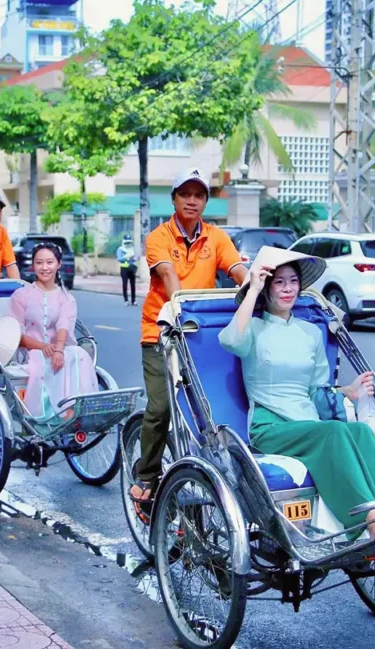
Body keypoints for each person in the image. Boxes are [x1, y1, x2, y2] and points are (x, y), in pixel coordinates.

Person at [219, 247, 375, 538]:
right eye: (279, 282)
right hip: (271, 427)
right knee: (335, 432)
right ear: (267, 288)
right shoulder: (252, 327)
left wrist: (347, 392)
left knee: (361, 433)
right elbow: (231, 341)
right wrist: (252, 288)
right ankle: (370, 519)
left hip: (308, 424)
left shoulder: (311, 333)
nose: (288, 288)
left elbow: (316, 391)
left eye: (293, 281)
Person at [129, 168, 249, 509]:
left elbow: (236, 269)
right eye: (185, 194)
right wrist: (179, 313)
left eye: (199, 195)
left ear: (206, 201)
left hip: (201, 334)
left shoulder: (216, 237)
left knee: (214, 405)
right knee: (161, 407)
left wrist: (253, 286)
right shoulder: (158, 237)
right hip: (162, 332)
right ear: (175, 199)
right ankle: (146, 476)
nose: (192, 201)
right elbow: (167, 273)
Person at [9, 242, 97, 424]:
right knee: (44, 359)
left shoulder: (66, 298)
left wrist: (58, 349)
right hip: (30, 353)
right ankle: (49, 416)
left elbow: (64, 324)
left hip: (61, 349)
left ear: (58, 264)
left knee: (78, 354)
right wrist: (43, 347)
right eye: (39, 262)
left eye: (49, 262)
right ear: (33, 266)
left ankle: (73, 412)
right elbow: (16, 333)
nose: (44, 267)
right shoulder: (21, 295)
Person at [116, 234, 139, 306]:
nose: (128, 244)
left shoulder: (132, 249)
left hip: (131, 268)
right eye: (126, 242)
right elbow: (119, 259)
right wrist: (126, 257)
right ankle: (126, 300)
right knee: (125, 284)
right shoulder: (120, 249)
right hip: (124, 269)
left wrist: (135, 258)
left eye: (129, 242)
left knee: (133, 285)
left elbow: (135, 257)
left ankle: (133, 300)